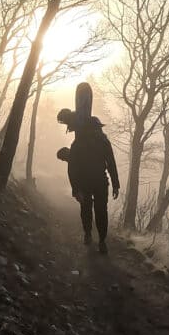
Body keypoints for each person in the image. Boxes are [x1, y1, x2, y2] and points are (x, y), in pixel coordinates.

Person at [56, 107, 120, 254]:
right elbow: (111, 162)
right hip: (100, 181)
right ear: (97, 127)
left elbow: (73, 169)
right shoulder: (103, 141)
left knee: (86, 209)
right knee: (101, 211)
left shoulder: (78, 143)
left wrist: (76, 189)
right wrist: (115, 184)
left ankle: (89, 235)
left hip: (86, 182)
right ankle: (101, 241)